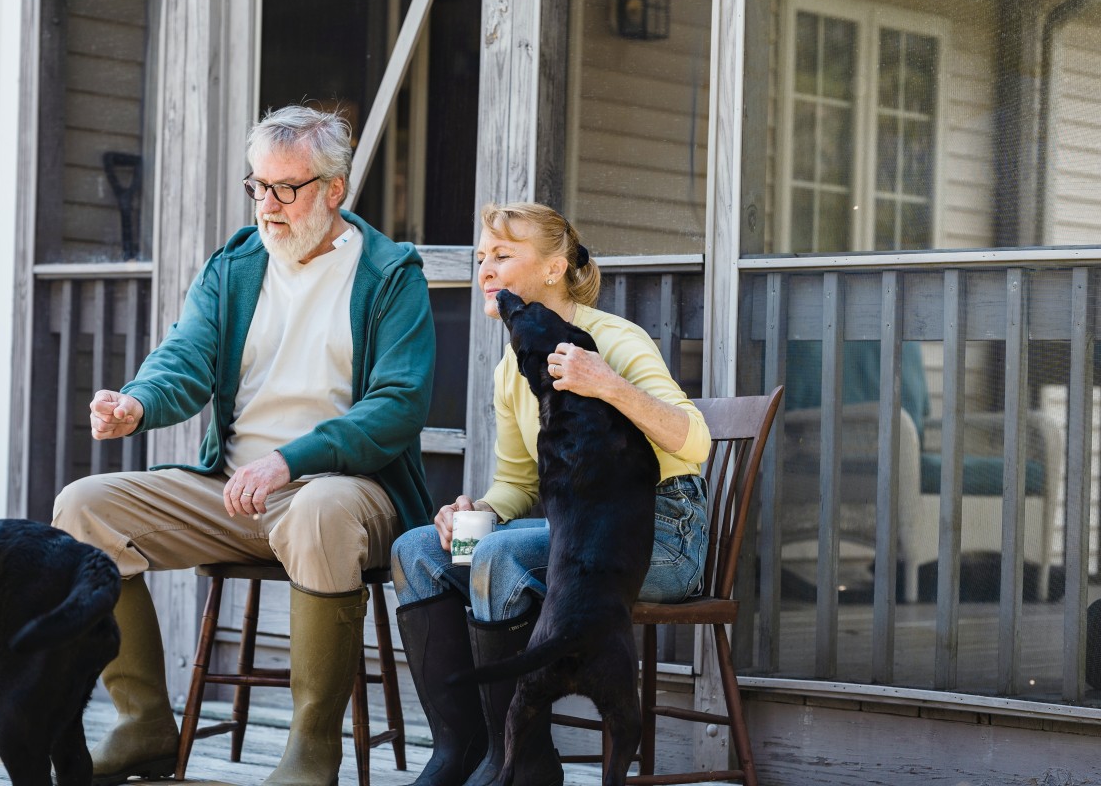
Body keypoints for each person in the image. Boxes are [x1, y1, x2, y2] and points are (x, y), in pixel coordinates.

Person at [53, 105, 436, 786]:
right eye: (258, 186)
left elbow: (397, 407)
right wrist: (137, 402)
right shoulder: (235, 264)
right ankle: (142, 723)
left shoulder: (389, 272)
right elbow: (186, 357)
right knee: (84, 507)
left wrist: (292, 458)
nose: (268, 205)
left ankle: (311, 747)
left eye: (286, 188)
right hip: (232, 492)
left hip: (345, 496)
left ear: (334, 189)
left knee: (320, 512)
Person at [390, 202, 712, 786]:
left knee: (498, 557)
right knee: (419, 551)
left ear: (554, 269)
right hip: (573, 541)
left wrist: (607, 383)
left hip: (658, 537)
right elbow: (516, 485)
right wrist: (475, 510)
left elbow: (695, 441)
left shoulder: (614, 339)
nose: (485, 268)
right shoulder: (511, 368)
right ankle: (462, 750)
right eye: (482, 257)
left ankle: (520, 764)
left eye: (504, 256)